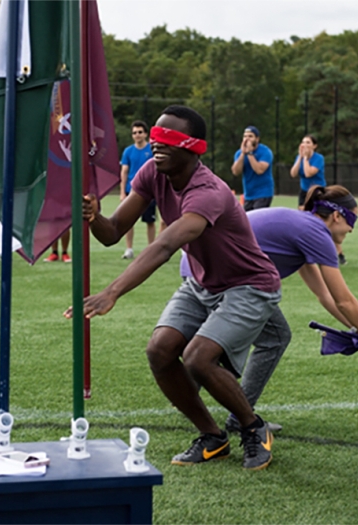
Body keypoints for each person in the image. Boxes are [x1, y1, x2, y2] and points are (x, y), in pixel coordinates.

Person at [66, 106, 279, 470]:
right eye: (154, 139)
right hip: (201, 281)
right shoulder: (152, 172)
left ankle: (253, 427)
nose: (155, 147)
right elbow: (113, 232)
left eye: (167, 141)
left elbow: (165, 246)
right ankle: (212, 436)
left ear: (193, 147)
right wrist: (93, 217)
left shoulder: (208, 191)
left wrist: (113, 291)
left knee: (198, 358)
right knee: (159, 350)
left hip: (248, 285)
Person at [181, 186, 358, 432]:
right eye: (352, 220)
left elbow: (323, 295)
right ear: (337, 216)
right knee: (274, 337)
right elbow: (343, 299)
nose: (352, 228)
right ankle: (240, 417)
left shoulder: (303, 227)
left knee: (229, 342)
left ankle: (192, 400)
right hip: (224, 277)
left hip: (201, 268)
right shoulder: (317, 233)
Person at [289, 134, 347, 265]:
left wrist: (305, 158)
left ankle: (339, 254)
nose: (305, 145)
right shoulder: (300, 157)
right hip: (305, 193)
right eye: (303, 142)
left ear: (314, 146)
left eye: (308, 143)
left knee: (324, 223)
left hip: (319, 192)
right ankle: (307, 252)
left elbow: (309, 172)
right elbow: (293, 173)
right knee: (304, 222)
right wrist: (299, 158)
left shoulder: (318, 158)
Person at [119, 120, 155, 259]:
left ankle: (151, 249)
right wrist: (122, 191)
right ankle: (129, 249)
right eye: (134, 133)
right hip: (132, 190)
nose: (137, 135)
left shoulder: (151, 149)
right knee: (128, 221)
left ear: (145, 134)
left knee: (150, 221)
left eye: (140, 132)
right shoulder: (128, 151)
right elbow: (124, 172)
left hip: (149, 190)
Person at [231, 125, 274, 211]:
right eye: (245, 136)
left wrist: (250, 153)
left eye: (250, 136)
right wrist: (243, 154)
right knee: (248, 221)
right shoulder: (239, 153)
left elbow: (259, 170)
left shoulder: (265, 152)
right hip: (248, 194)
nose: (247, 139)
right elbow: (236, 171)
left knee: (258, 221)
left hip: (263, 193)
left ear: (257, 139)